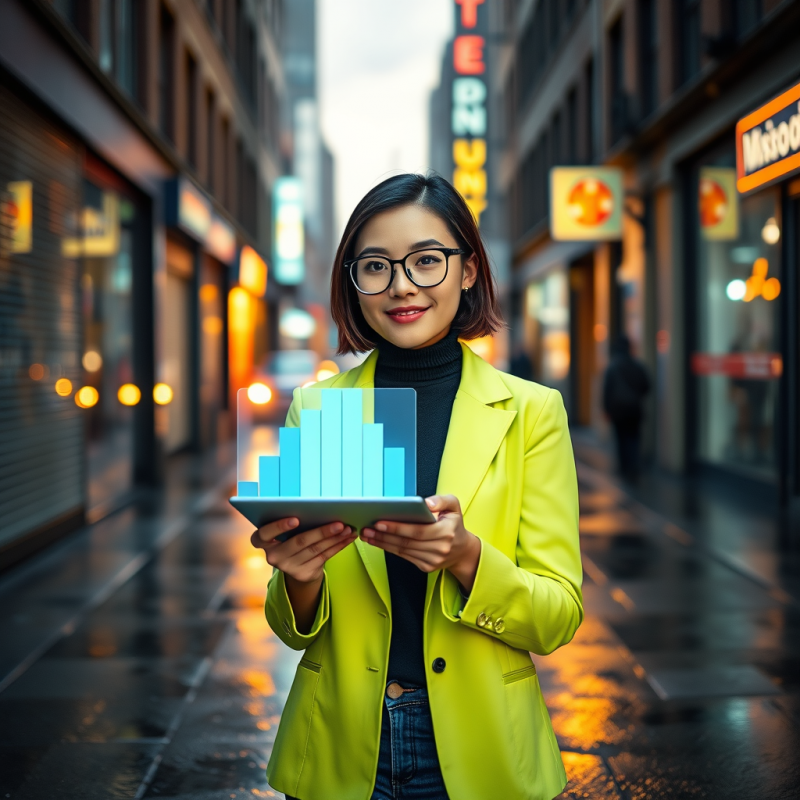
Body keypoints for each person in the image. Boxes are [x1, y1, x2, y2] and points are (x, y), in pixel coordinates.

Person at [251, 174, 583, 800]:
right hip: (340, 741)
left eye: (426, 260)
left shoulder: (531, 412)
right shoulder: (318, 408)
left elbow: (557, 617)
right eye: (375, 266)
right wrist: (298, 577)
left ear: (468, 269)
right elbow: (292, 628)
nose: (401, 285)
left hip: (482, 745)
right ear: (352, 281)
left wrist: (467, 557)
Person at [602, 335, 650, 480]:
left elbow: (607, 390)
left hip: (618, 411)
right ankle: (634, 467)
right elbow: (646, 386)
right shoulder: (637, 365)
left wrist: (606, 409)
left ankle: (624, 468)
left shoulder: (613, 367)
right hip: (634, 409)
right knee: (634, 438)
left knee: (621, 439)